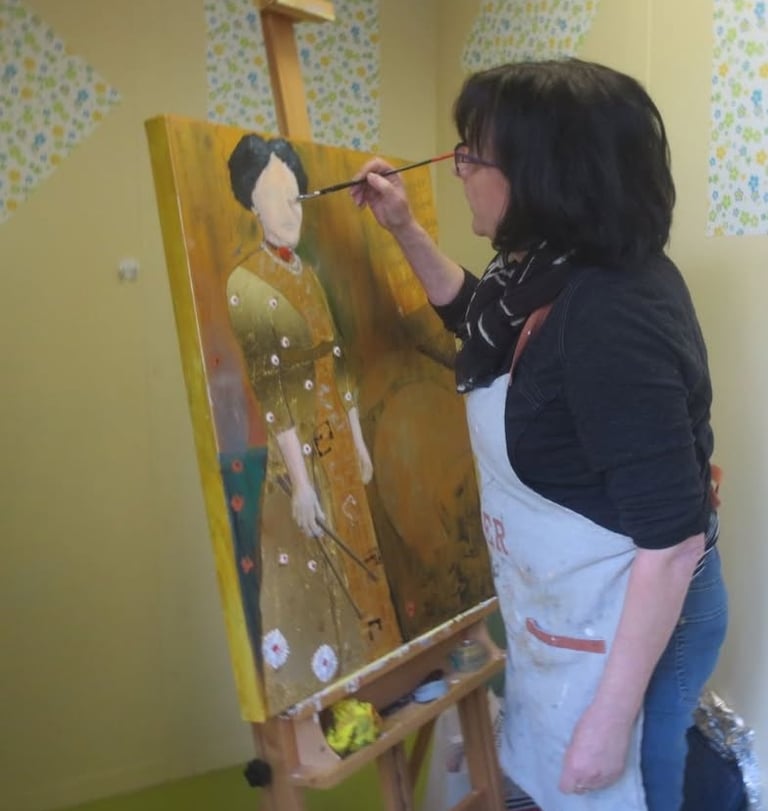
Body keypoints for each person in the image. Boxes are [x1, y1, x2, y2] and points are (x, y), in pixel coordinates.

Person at [350, 59, 728, 811]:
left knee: (630, 785)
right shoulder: (537, 271)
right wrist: (404, 229)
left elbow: (674, 541)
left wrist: (610, 724)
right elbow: (478, 320)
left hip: (643, 622)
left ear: (543, 174)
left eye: (471, 156)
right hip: (576, 607)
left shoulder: (613, 314)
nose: (458, 171)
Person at [224, 134, 399, 709]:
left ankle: (377, 684)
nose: (290, 209)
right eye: (276, 196)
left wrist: (358, 441)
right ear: (252, 202)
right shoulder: (246, 283)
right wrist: (300, 483)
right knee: (314, 582)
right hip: (298, 455)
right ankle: (324, 708)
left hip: (337, 442)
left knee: (360, 567)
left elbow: (337, 359)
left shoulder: (307, 272)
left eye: (296, 195)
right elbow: (270, 389)